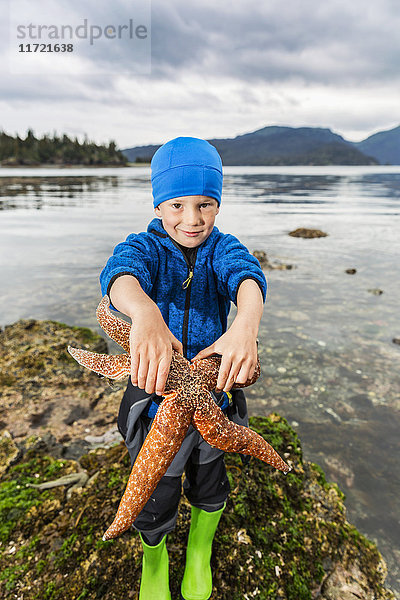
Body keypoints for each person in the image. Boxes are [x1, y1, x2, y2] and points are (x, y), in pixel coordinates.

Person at [99, 136, 267, 600]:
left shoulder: (222, 249)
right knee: (155, 492)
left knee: (210, 482)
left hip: (215, 399)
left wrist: (245, 325)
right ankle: (156, 562)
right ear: (158, 205)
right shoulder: (147, 249)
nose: (191, 220)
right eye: (176, 205)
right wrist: (145, 313)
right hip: (157, 402)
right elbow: (119, 275)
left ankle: (198, 548)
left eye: (205, 205)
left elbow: (249, 277)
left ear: (218, 205)